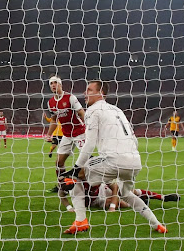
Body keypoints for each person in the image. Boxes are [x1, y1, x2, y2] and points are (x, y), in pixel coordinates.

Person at [62, 80, 167, 234]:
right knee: (126, 194)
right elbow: (135, 139)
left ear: (101, 93)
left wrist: (76, 169)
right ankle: (156, 224)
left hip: (114, 159)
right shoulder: (117, 110)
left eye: (89, 90)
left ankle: (81, 220)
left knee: (73, 177)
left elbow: (89, 144)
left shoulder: (92, 110)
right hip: (134, 162)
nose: (85, 93)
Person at [46, 76, 86, 193]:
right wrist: (49, 134)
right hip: (67, 135)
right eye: (51, 84)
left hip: (79, 132)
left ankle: (89, 187)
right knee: (59, 162)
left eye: (55, 83)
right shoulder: (50, 103)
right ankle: (62, 186)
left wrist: (88, 127)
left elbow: (81, 112)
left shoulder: (70, 97)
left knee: (85, 160)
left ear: (60, 84)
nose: (53, 85)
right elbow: (53, 120)